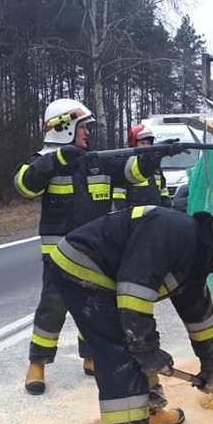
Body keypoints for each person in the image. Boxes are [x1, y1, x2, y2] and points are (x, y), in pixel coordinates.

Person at [48, 205, 213, 424]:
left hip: (107, 274)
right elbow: (134, 290)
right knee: (123, 355)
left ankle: (149, 413)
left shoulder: (192, 255)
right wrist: (145, 349)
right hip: (83, 267)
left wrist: (212, 364)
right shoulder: (171, 232)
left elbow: (198, 316)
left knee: (140, 345)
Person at [14, 98, 143, 395]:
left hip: (96, 253)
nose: (87, 132)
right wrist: (56, 160)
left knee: (96, 307)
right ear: (65, 127)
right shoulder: (43, 161)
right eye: (83, 127)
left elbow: (128, 170)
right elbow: (24, 185)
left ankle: (92, 357)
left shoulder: (94, 160)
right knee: (52, 309)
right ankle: (38, 364)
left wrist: (149, 158)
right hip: (59, 254)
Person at [111, 125, 172, 209]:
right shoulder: (126, 166)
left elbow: (163, 189)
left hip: (155, 213)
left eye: (148, 143)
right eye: (142, 143)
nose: (146, 146)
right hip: (135, 216)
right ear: (134, 145)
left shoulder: (155, 167)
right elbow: (119, 196)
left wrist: (166, 203)